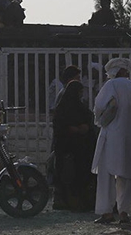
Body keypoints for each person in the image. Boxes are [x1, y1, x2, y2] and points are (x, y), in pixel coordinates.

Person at [91, 57, 131, 224]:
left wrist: (100, 119)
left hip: (111, 136)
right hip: (130, 138)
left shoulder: (111, 85)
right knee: (126, 175)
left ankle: (107, 212)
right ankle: (124, 212)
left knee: (106, 175)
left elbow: (99, 107)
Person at [53, 81, 97, 211]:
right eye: (79, 92)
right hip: (67, 147)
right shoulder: (62, 109)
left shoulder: (80, 107)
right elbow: (59, 126)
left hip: (82, 148)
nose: (81, 95)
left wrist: (85, 127)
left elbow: (90, 119)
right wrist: (72, 129)